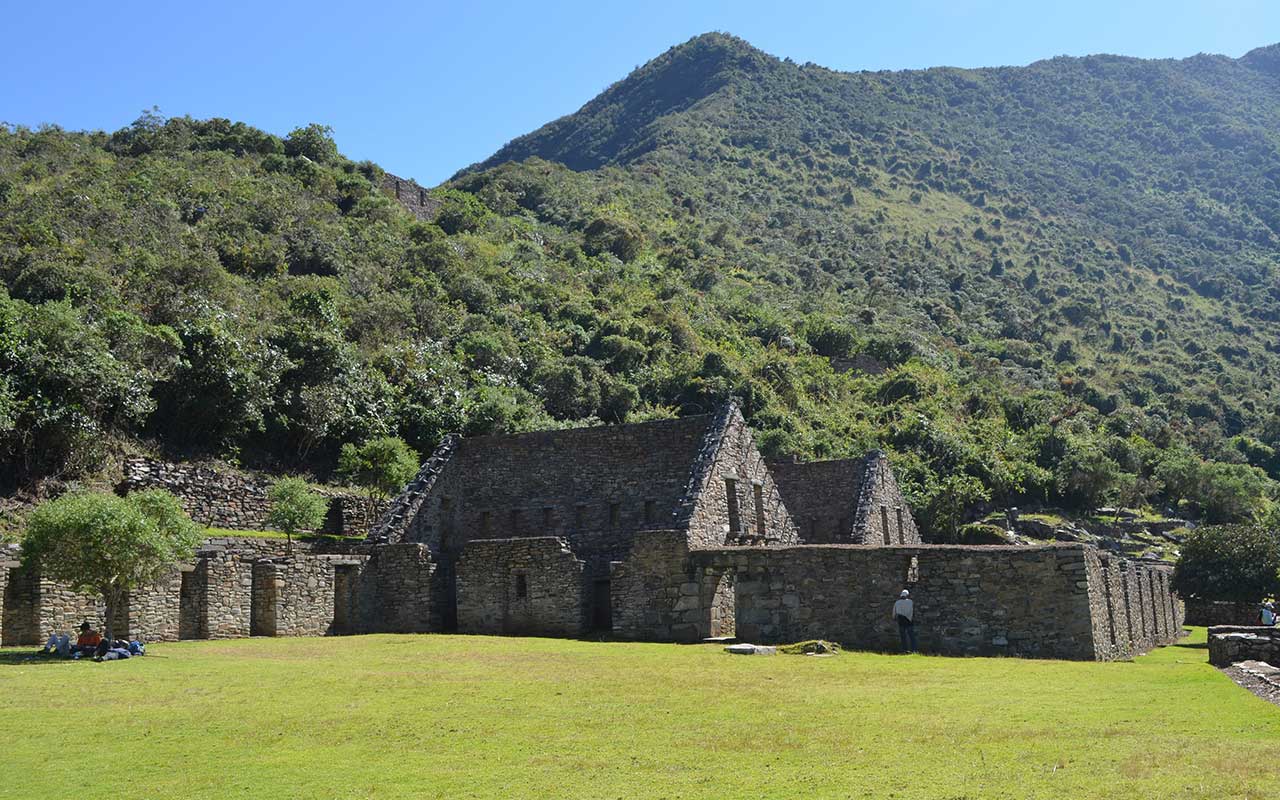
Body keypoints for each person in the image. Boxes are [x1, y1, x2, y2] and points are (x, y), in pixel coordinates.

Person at [893, 589, 917, 653]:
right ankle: (913, 649)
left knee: (903, 636)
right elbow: (911, 611)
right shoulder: (910, 602)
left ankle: (905, 650)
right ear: (907, 595)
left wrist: (894, 617)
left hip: (901, 620)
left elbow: (894, 612)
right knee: (911, 636)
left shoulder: (897, 602)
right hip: (909, 620)